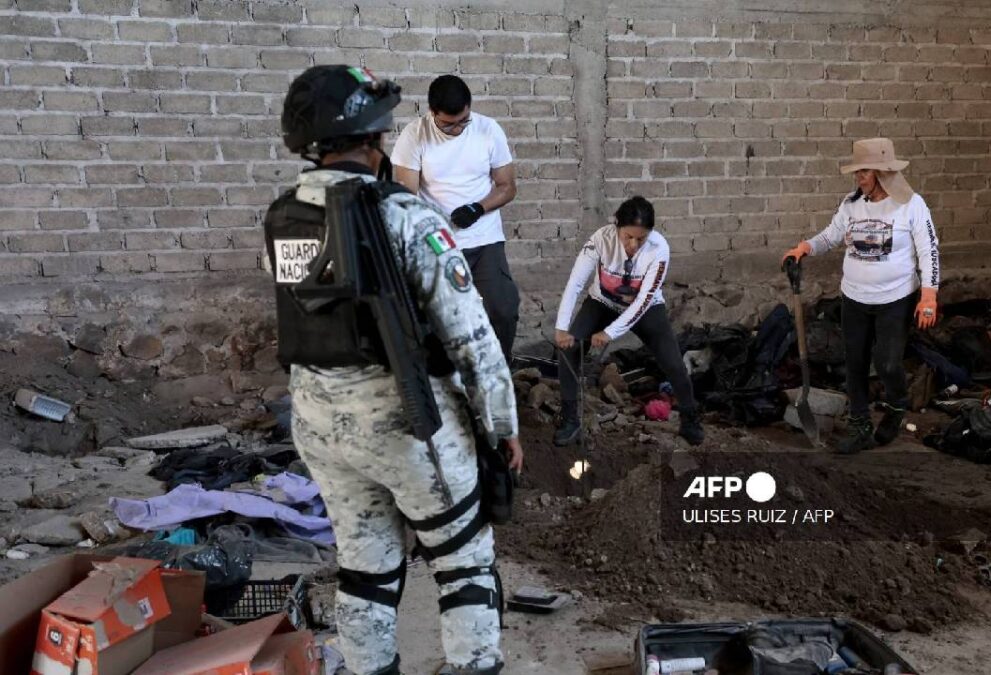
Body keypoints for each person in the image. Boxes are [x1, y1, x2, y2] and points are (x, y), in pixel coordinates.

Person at [266, 64, 522, 675]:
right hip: (408, 424)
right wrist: (502, 427)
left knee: (365, 570)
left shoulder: (284, 215)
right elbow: (474, 342)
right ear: (374, 139)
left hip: (320, 429)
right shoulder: (409, 218)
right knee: (464, 562)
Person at [782, 138, 941, 455]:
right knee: (854, 363)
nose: (859, 177)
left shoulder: (911, 204)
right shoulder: (851, 203)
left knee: (887, 362)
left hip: (895, 299)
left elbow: (929, 249)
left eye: (864, 171)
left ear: (883, 172)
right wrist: (805, 248)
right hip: (854, 297)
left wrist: (929, 295)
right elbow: (830, 235)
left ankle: (897, 404)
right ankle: (860, 426)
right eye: (858, 172)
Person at [553, 196, 704, 447]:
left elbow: (643, 301)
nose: (633, 244)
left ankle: (690, 419)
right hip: (601, 302)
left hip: (645, 309)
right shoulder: (600, 240)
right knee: (568, 350)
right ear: (616, 228)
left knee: (674, 364)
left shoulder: (659, 249)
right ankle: (570, 420)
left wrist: (611, 332)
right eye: (628, 237)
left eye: (640, 238)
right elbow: (575, 284)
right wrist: (561, 327)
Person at [391, 74, 520, 362]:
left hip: (484, 237)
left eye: (464, 120)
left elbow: (507, 187)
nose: (458, 129)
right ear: (432, 113)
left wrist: (478, 208)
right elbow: (405, 198)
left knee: (503, 306)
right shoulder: (415, 135)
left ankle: (498, 369)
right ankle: (444, 381)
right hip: (438, 242)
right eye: (448, 124)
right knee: (438, 316)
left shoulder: (488, 130)